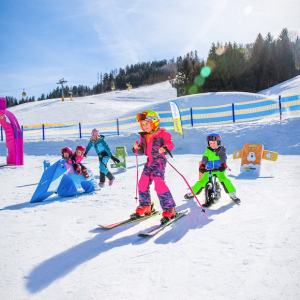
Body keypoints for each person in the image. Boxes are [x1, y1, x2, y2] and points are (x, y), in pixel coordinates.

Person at [133, 110, 176, 221]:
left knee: (159, 184)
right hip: (149, 162)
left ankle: (169, 208)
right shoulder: (144, 137)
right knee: (142, 183)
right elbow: (142, 151)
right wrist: (137, 148)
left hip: (159, 162)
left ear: (154, 122)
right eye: (142, 124)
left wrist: (165, 147)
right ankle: (146, 206)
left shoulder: (163, 134)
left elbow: (170, 144)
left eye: (147, 123)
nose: (144, 126)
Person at [184, 133, 241, 204]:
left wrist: (223, 164)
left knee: (224, 180)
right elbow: (205, 157)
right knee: (202, 181)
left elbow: (223, 157)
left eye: (214, 143)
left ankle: (232, 194)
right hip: (209, 169)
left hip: (219, 169)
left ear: (218, 142)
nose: (212, 145)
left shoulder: (221, 149)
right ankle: (192, 193)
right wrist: (202, 165)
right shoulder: (208, 150)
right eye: (210, 143)